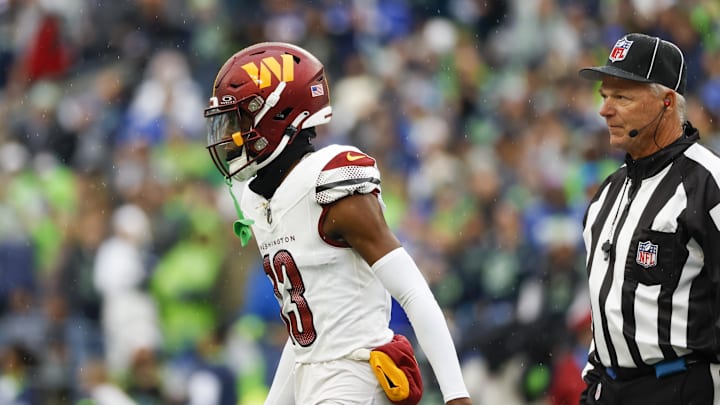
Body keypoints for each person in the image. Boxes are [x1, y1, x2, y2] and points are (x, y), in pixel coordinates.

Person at [202, 42, 471, 404]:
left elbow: (413, 292)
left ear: (277, 114)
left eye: (238, 120)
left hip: (357, 374)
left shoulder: (329, 183)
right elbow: (308, 339)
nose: (229, 135)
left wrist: (456, 396)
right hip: (314, 376)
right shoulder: (261, 198)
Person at [577, 32, 720, 404]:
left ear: (666, 102)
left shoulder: (709, 183)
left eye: (622, 96)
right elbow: (606, 306)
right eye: (604, 96)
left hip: (678, 388)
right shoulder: (606, 194)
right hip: (607, 389)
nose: (605, 110)